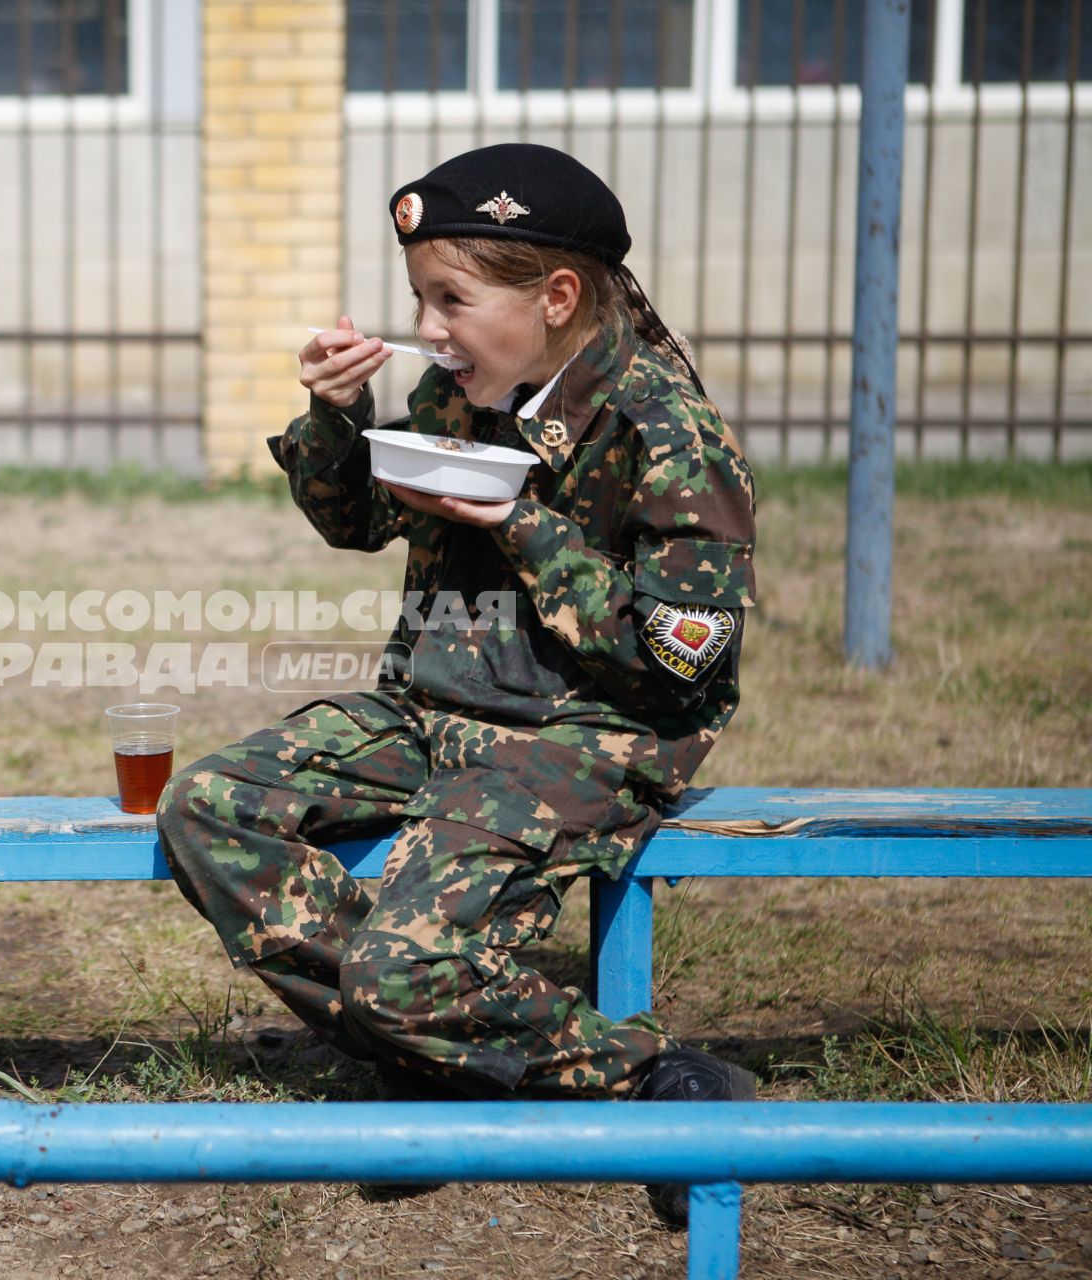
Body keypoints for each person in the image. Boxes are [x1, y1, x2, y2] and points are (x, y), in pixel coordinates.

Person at [156, 143, 757, 1223]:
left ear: (557, 296)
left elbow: (681, 663)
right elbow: (359, 521)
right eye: (420, 300)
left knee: (400, 972)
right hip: (435, 709)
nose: (429, 328)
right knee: (207, 805)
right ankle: (428, 1052)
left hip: (586, 729)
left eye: (451, 300)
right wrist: (338, 417)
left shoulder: (664, 429)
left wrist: (522, 524)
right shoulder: (461, 389)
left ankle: (662, 1081)